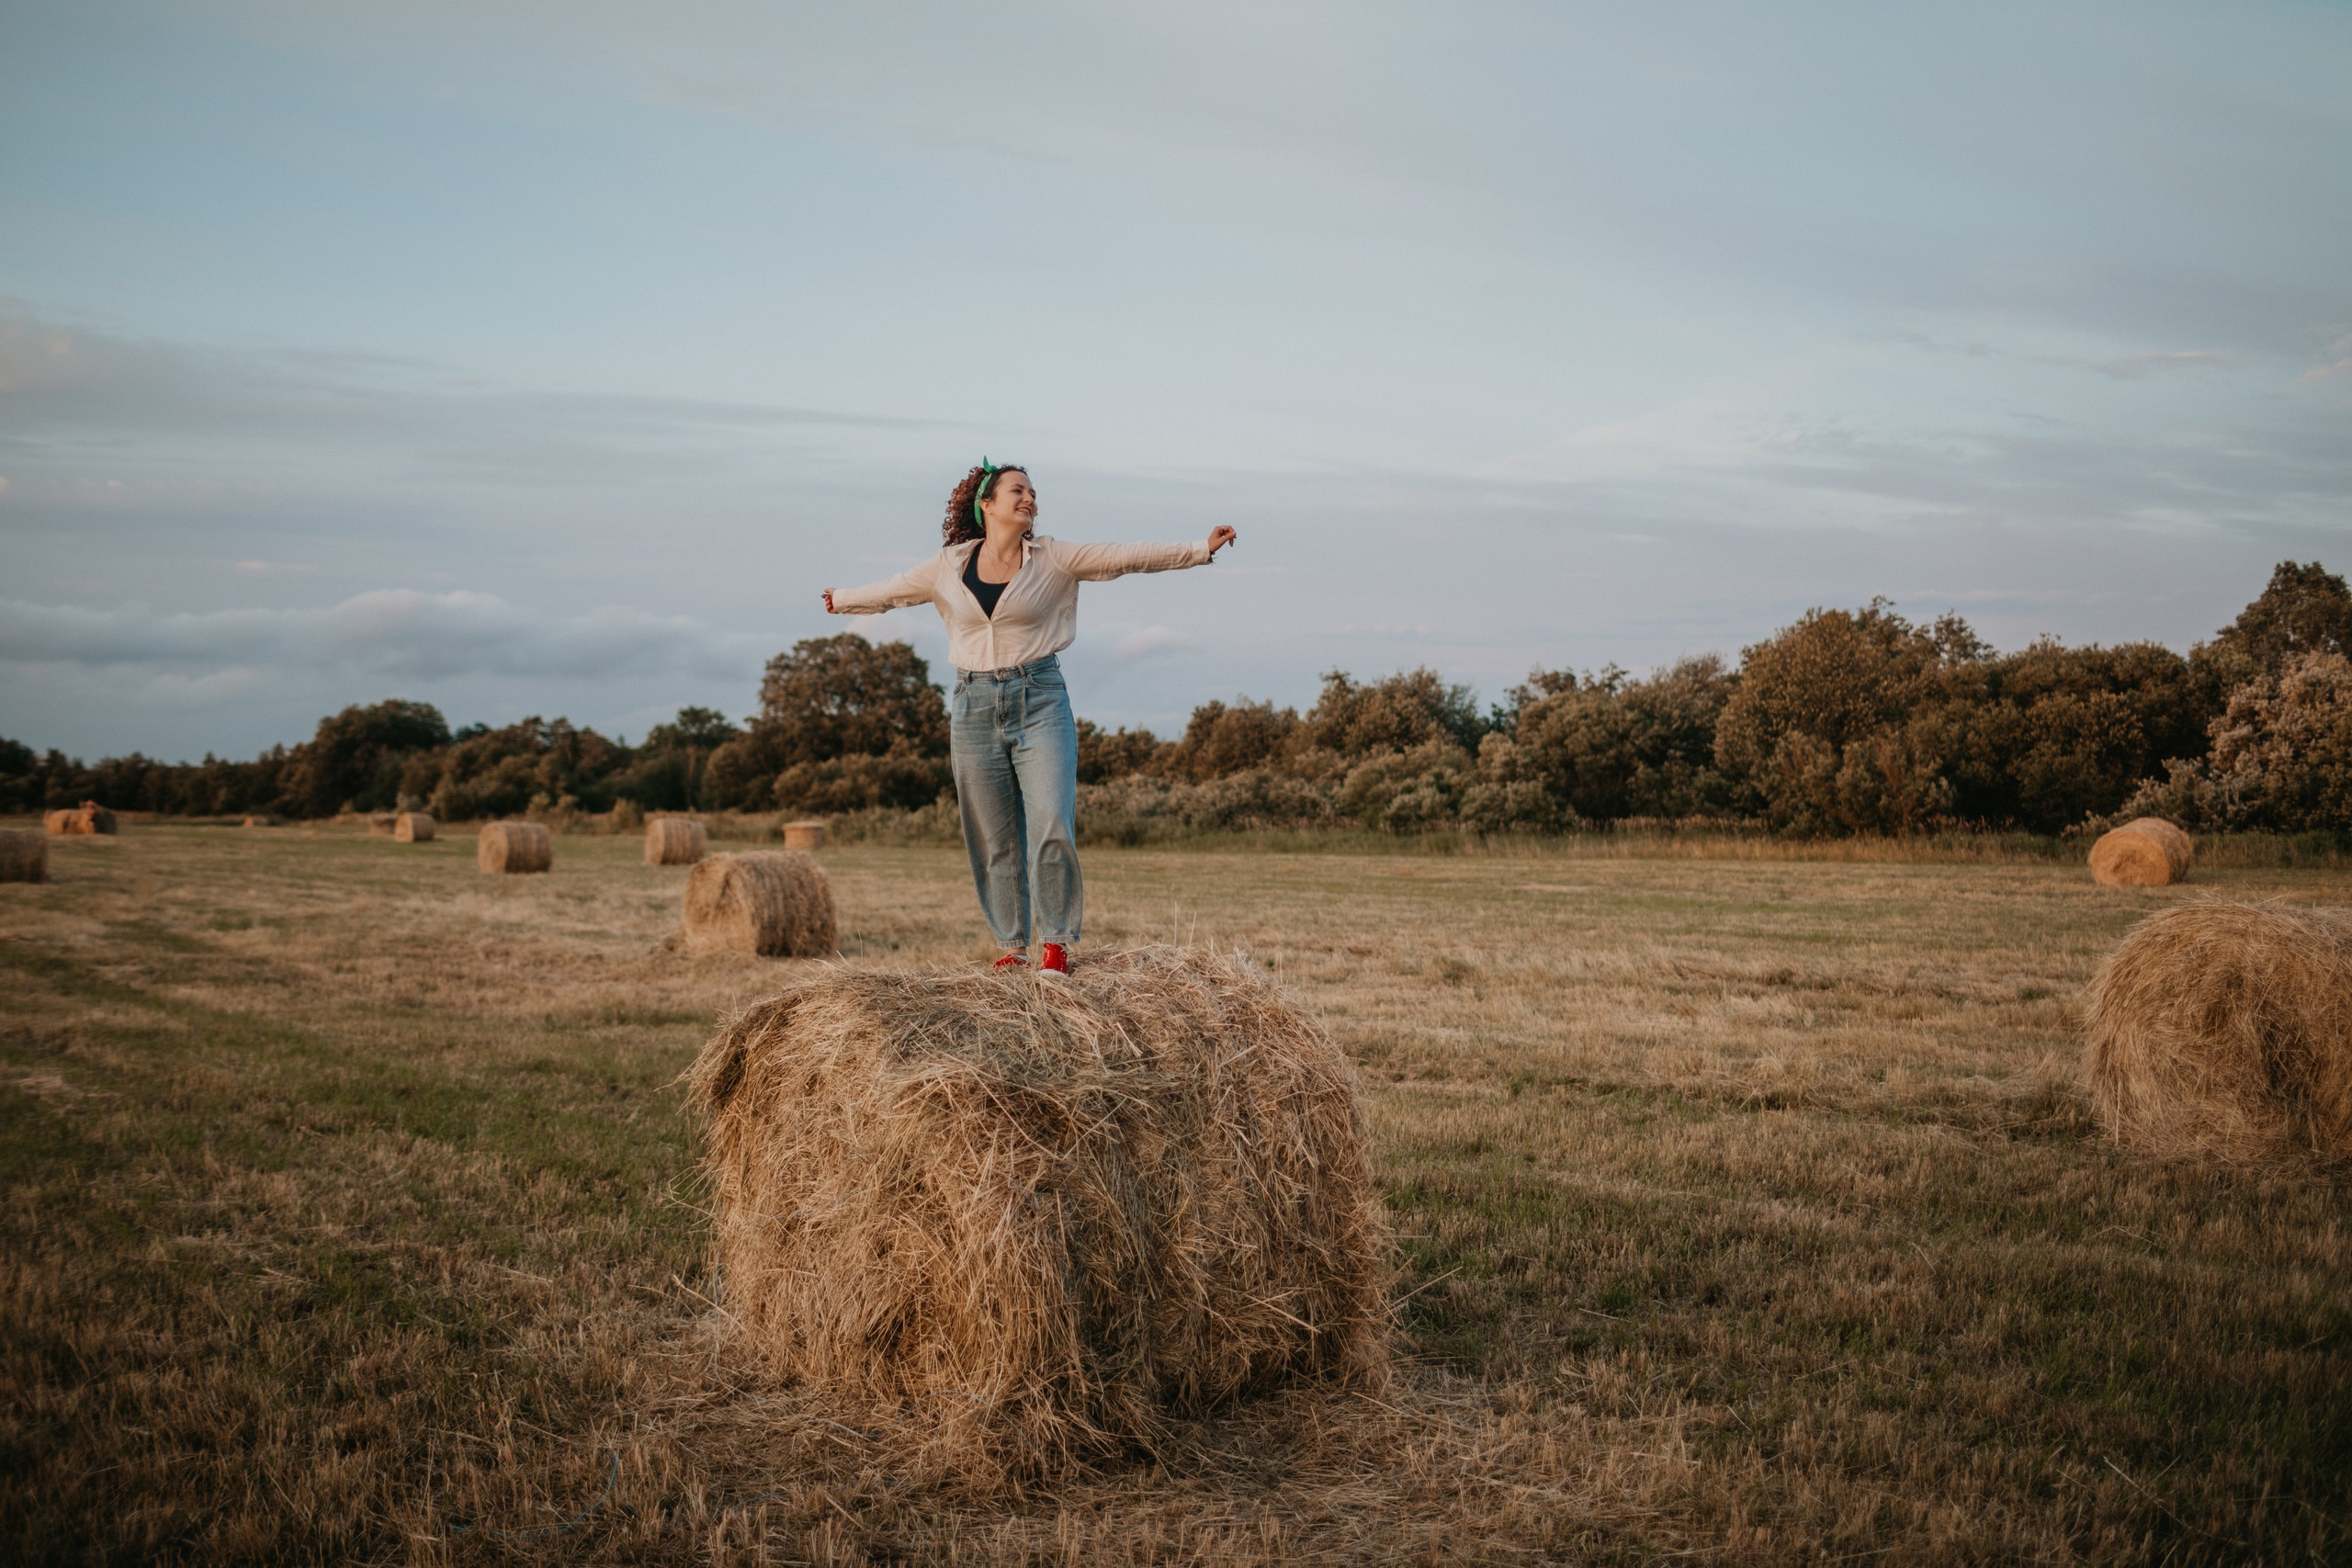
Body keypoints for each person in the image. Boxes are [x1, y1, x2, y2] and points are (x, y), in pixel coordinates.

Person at [825, 461, 1238, 977]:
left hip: (1040, 699)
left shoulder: (1054, 558)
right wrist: (842, 600)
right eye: (1017, 491)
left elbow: (1125, 557)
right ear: (988, 504)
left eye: (1033, 493)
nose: (1029, 499)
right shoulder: (947, 565)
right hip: (972, 706)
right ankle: (1011, 946)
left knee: (1051, 823)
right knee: (992, 837)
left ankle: (1056, 945)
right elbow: (893, 591)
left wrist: (1199, 550)